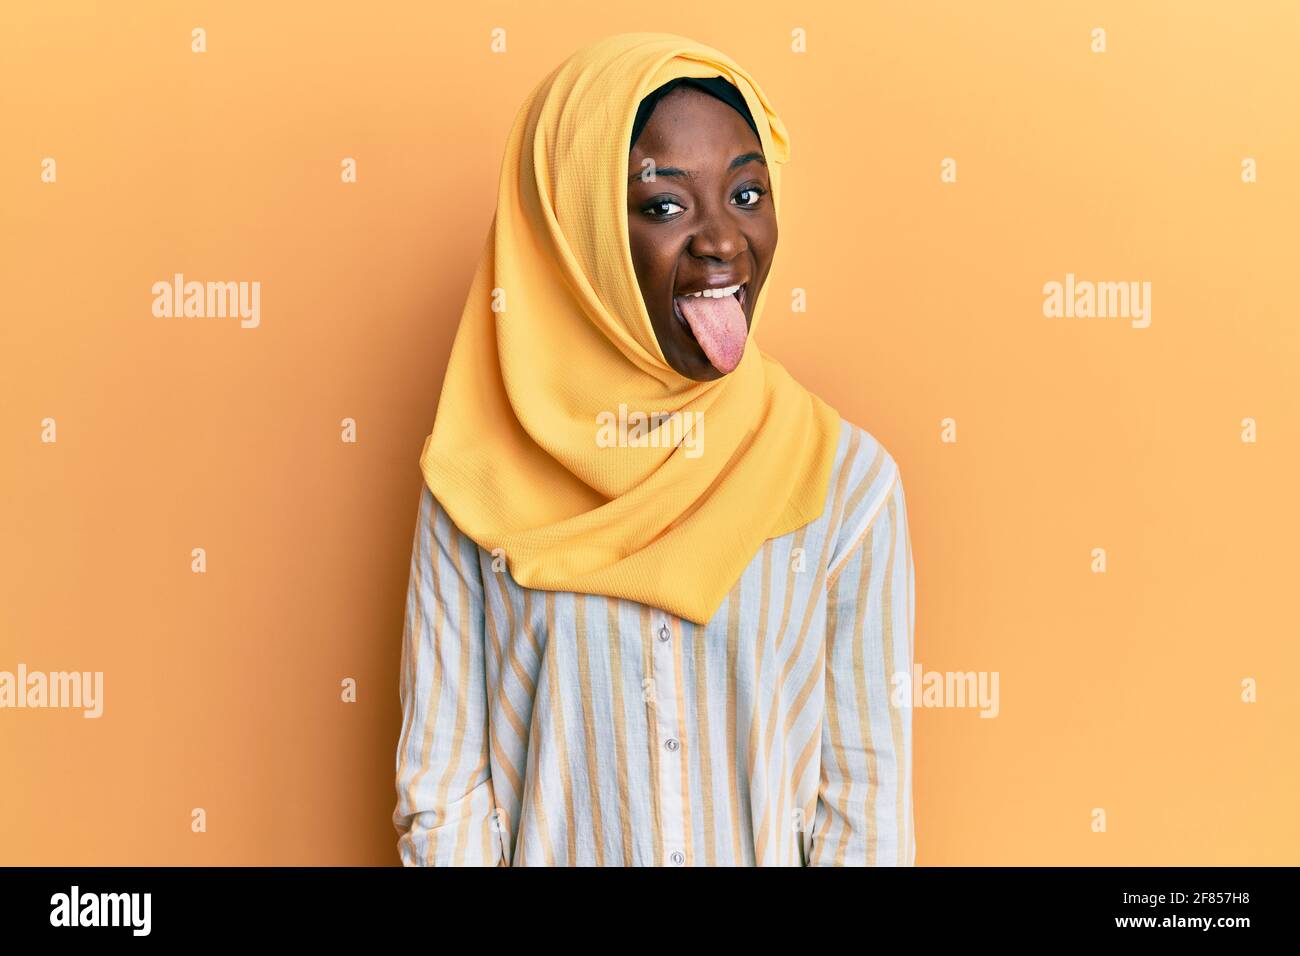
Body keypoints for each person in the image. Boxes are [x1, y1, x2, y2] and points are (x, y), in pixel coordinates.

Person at [392, 32, 915, 866]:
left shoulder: (845, 485)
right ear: (575, 233)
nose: (721, 242)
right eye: (664, 205)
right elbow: (442, 797)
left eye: (747, 193)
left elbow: (867, 810)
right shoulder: (475, 484)